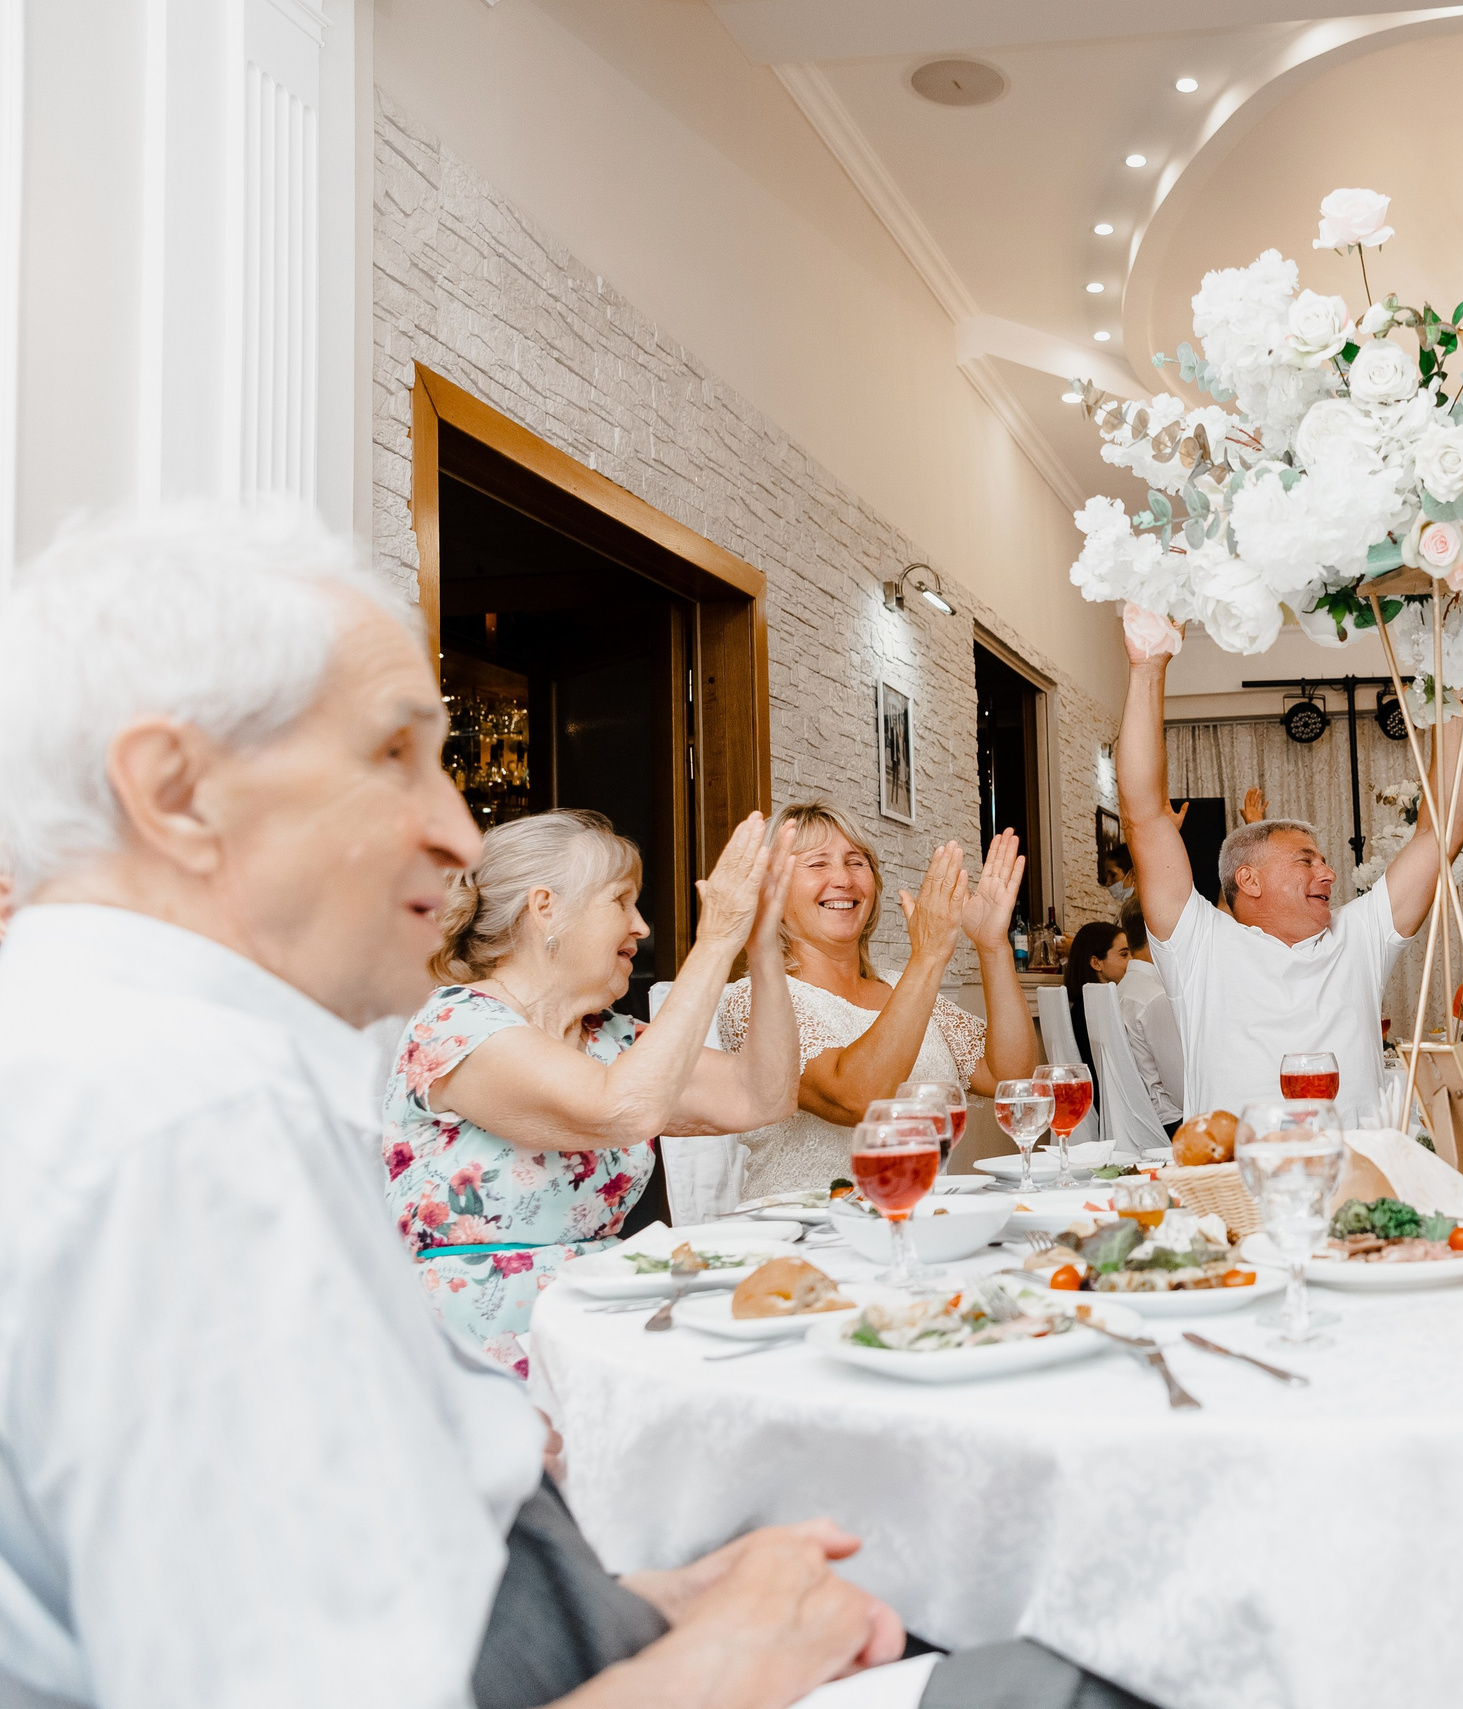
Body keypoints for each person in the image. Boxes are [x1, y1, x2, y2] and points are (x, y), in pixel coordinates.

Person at [0, 506, 1156, 1709]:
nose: (457, 831)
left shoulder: (178, 1066)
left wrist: (672, 1597)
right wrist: (724, 1658)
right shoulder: (170, 1126)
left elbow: (406, 1583)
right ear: (175, 790)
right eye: (393, 755)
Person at [383, 808, 799, 1376]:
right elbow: (622, 1109)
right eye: (621, 901)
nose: (641, 927)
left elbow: (762, 1097)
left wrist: (762, 948)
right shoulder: (457, 1025)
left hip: (599, 1331)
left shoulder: (612, 1038)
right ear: (544, 907)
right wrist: (714, 941)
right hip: (477, 1356)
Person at [1118, 611, 1463, 1119]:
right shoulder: (1202, 945)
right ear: (1249, 879)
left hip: (1358, 1182)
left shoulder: (1359, 937)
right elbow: (1145, 816)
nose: (1327, 874)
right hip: (1236, 1184)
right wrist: (1148, 667)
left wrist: (1451, 685)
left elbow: (1442, 831)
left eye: (1323, 861)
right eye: (1306, 861)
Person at [716, 801, 1034, 1198]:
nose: (843, 880)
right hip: (811, 1234)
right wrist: (929, 955)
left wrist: (993, 947)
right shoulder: (753, 999)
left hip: (921, 1223)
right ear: (771, 890)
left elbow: (1013, 1078)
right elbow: (857, 1099)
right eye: (817, 864)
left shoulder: (903, 988)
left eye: (856, 862)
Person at [1114, 893, 1186, 1133]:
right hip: (1171, 1124)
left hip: (1136, 1120)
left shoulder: (1122, 989)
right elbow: (1182, 1091)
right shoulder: (1155, 998)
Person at [1062, 919, 1129, 1067]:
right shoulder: (1095, 1012)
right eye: (1124, 954)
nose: (1132, 961)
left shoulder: (1083, 1006)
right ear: (1096, 963)